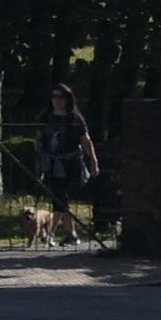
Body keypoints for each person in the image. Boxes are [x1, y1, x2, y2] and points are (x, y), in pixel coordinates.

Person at [39, 84, 99, 248]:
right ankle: (70, 233)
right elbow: (39, 137)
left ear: (67, 99)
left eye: (61, 97)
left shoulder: (75, 118)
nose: (57, 101)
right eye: (54, 97)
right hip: (52, 163)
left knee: (62, 198)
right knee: (60, 198)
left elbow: (86, 141)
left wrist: (93, 161)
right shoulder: (46, 116)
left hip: (71, 163)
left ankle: (51, 233)